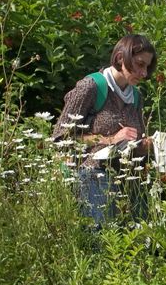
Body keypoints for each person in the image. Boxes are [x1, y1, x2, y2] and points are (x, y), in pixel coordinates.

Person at [52, 34, 157, 226]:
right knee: (102, 240)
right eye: (140, 64)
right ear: (120, 58)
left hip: (128, 179)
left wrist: (145, 146)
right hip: (93, 175)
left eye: (147, 67)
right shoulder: (91, 86)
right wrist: (110, 139)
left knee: (142, 238)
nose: (144, 73)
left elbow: (131, 142)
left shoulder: (136, 96)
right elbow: (61, 138)